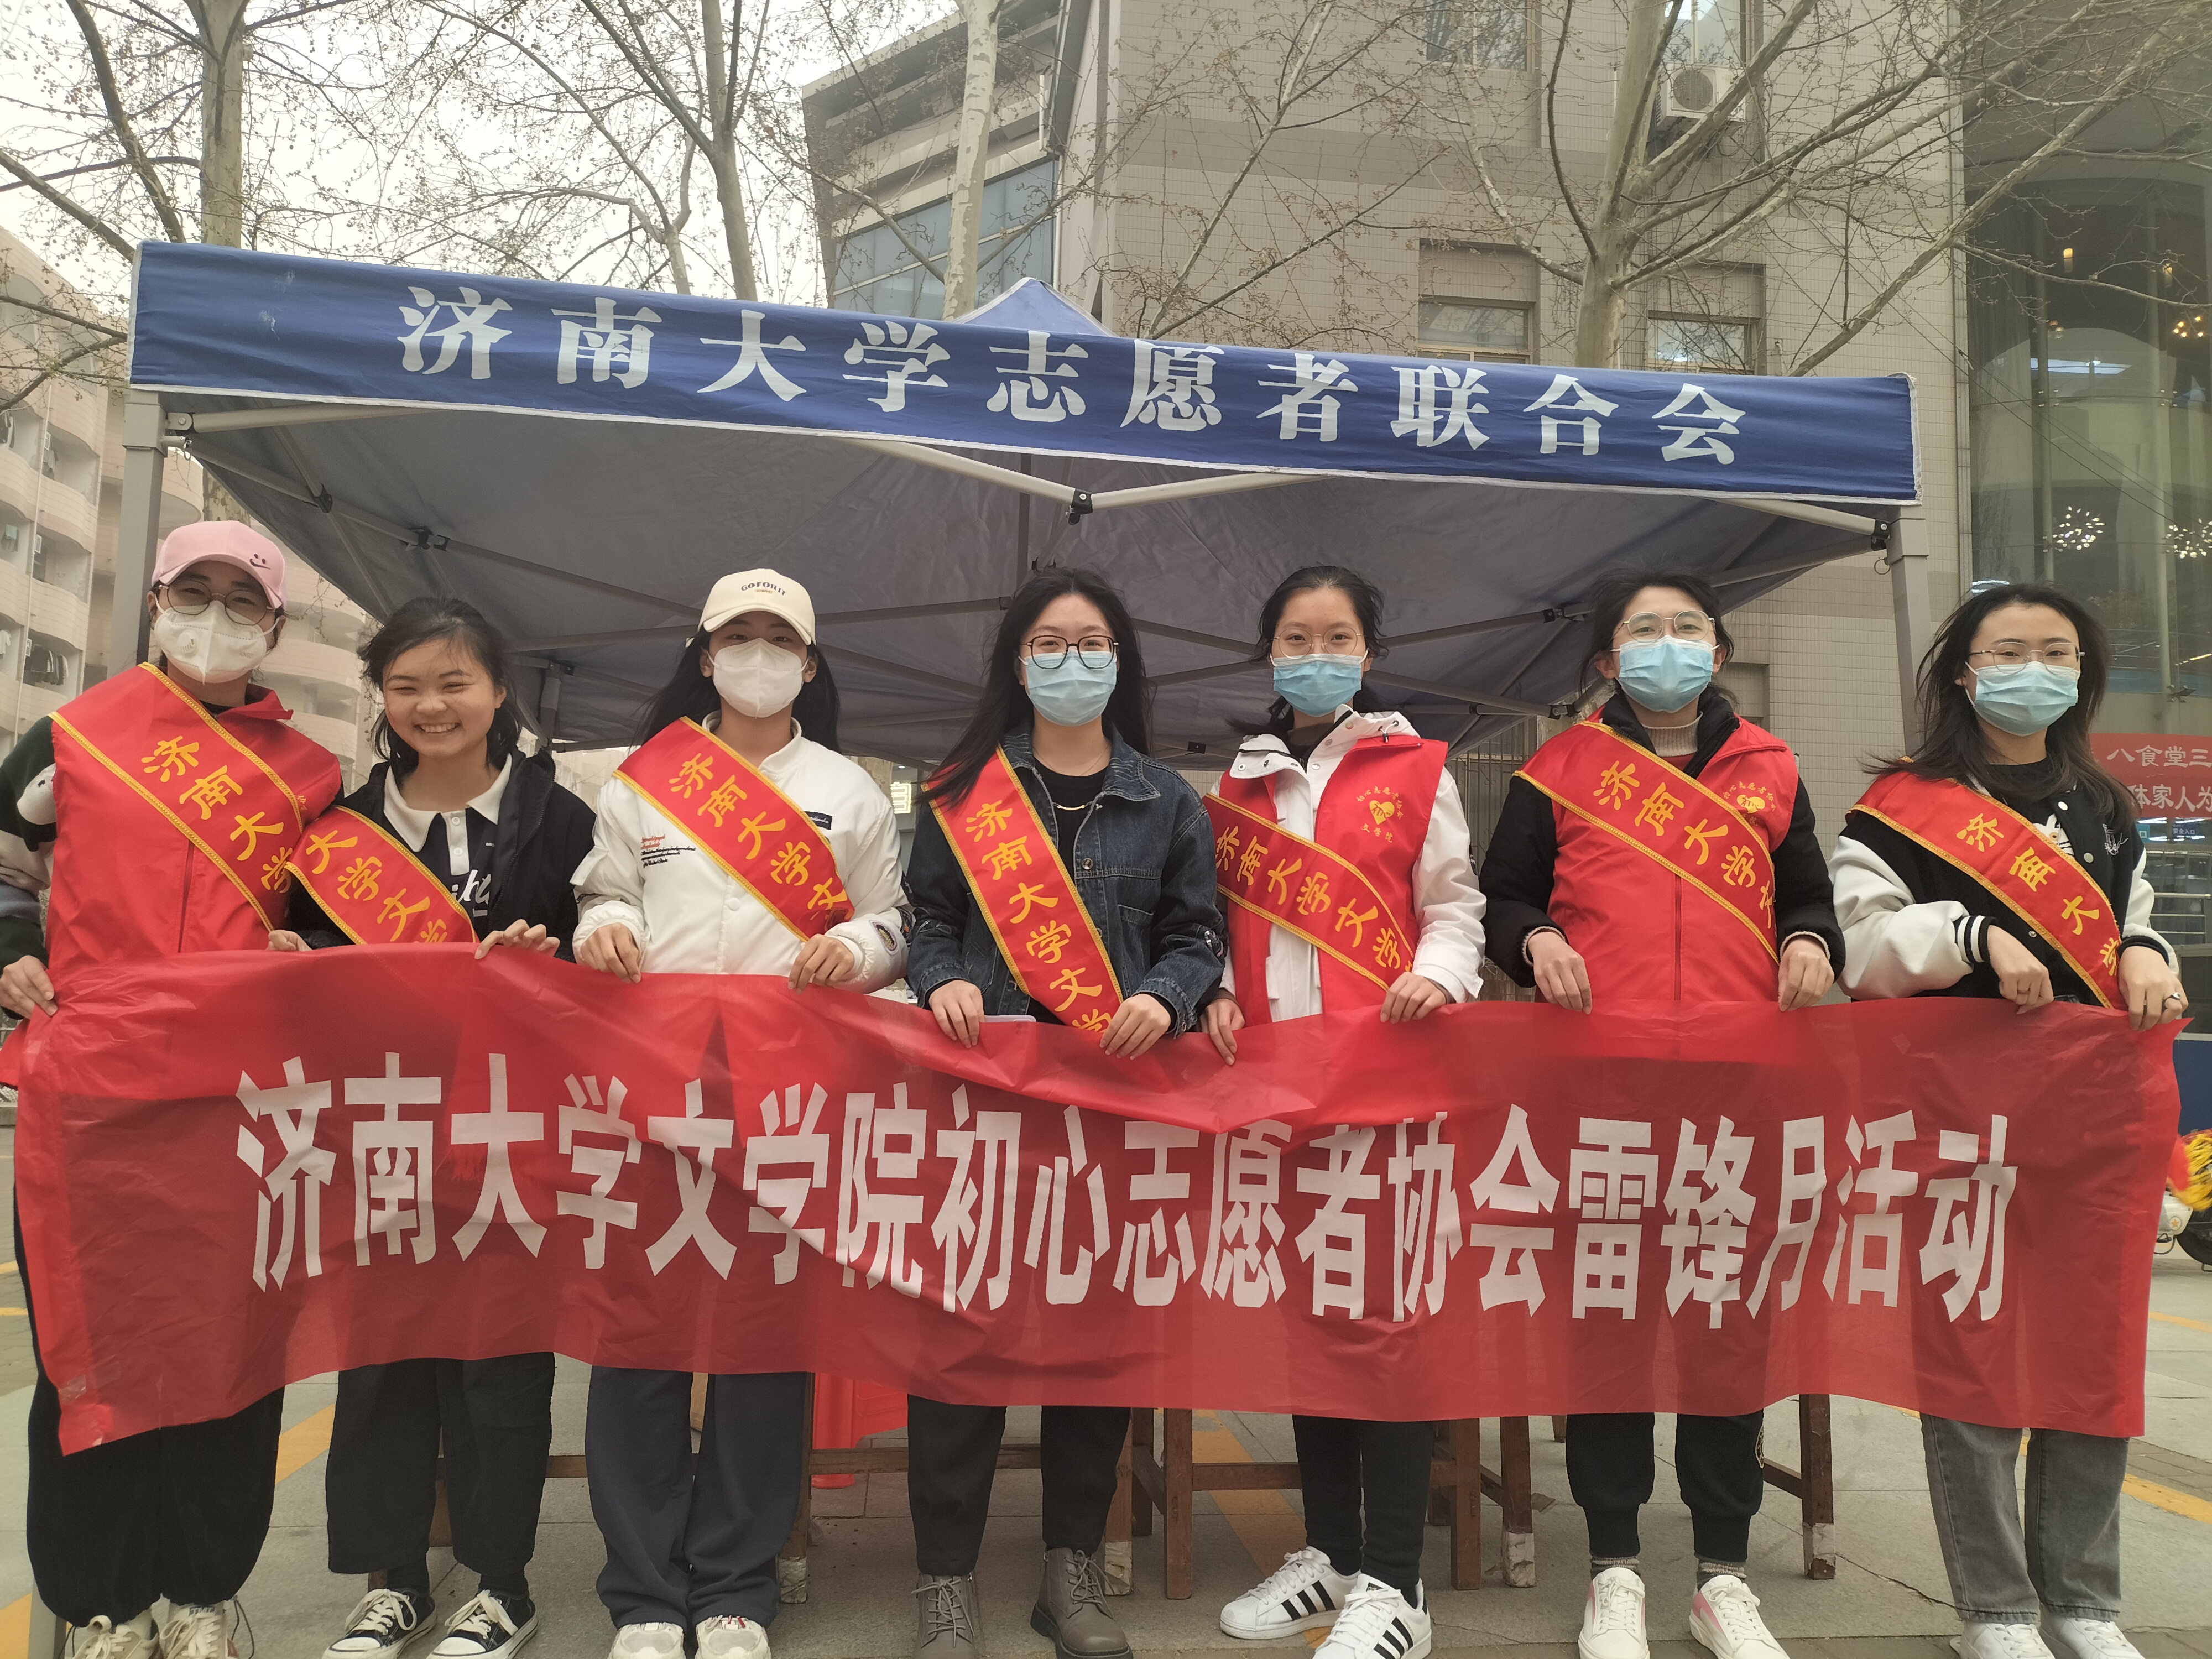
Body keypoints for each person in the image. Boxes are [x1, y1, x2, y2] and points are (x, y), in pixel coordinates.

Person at [1478, 568, 1843, 1659]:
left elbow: (1809, 894)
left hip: (1737, 1095)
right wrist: (1535, 938)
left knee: (1726, 1326)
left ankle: (1722, 1575)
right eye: (1644, 629)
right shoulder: (1558, 768)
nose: (1667, 642)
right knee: (1611, 1323)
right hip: (1603, 1095)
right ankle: (1614, 1570)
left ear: (1718, 651)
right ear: (1606, 661)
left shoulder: (1770, 766)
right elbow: (1504, 897)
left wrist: (1808, 941)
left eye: (1687, 626)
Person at [0, 521, 342, 1659]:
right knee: (89, 1348)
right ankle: (102, 1607)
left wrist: (306, 950)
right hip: (91, 1097)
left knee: (229, 1346)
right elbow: (2, 865)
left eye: (242, 600)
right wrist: (9, 949)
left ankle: (201, 1596)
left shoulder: (310, 775)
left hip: (241, 1108)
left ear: (274, 628)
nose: (215, 617)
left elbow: (337, 922)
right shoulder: (70, 737)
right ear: (155, 602)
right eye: (194, 592)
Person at [1829, 582, 2183, 1659]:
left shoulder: (2102, 803)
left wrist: (2146, 953)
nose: (2034, 669)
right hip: (1961, 1123)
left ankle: (2082, 1601)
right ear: (1961, 672)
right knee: (1973, 1358)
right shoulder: (1898, 806)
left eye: (2057, 652)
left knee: (2091, 1357)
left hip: (2092, 1120)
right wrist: (1969, 936)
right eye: (2008, 651)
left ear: (2080, 673)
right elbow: (1860, 945)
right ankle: (1993, 1611)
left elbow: (2130, 918)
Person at [570, 569, 907, 1659]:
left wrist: (855, 946)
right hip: (653, 1095)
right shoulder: (645, 779)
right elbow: (603, 889)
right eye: (738, 636)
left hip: (784, 1101)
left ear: (808, 663)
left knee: (762, 1346)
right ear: (704, 654)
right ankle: (641, 1592)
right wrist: (606, 926)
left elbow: (895, 921)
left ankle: (734, 1588)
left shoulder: (848, 791)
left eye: (779, 639)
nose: (758, 655)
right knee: (640, 1342)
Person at [902, 565, 1225, 1659]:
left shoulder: (1167, 800)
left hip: (1112, 1106)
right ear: (1017, 662)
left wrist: (1163, 995)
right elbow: (927, 920)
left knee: (1095, 1341)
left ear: (1120, 662)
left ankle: (1069, 1572)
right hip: (985, 1103)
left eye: (1090, 644)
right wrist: (940, 977)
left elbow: (1197, 933)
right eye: (1049, 644)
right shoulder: (962, 794)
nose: (1070, 662)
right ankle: (945, 1582)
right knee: (963, 1342)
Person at [265, 598, 595, 1659]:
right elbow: (302, 968)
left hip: (515, 1130)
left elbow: (613, 963)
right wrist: (288, 959)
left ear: (498, 692)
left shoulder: (563, 821)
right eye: (405, 686)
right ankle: (393, 1580)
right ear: (382, 697)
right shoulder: (342, 833)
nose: (431, 705)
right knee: (381, 1363)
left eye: (454, 682)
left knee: (502, 1364)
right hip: (380, 1131)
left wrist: (561, 965)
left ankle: (502, 1586)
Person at [1206, 566, 1485, 1659]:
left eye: (1334, 637)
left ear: (1367, 654)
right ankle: (1329, 1554)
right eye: (1294, 637)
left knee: (1389, 1331)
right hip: (1277, 1095)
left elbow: (1453, 907)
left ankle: (1397, 1585)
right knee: (1311, 1325)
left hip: (1389, 1087)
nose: (1313, 654)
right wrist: (1216, 991)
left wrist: (1438, 974)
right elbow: (1219, 923)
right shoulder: (1239, 783)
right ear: (1269, 653)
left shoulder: (1417, 768)